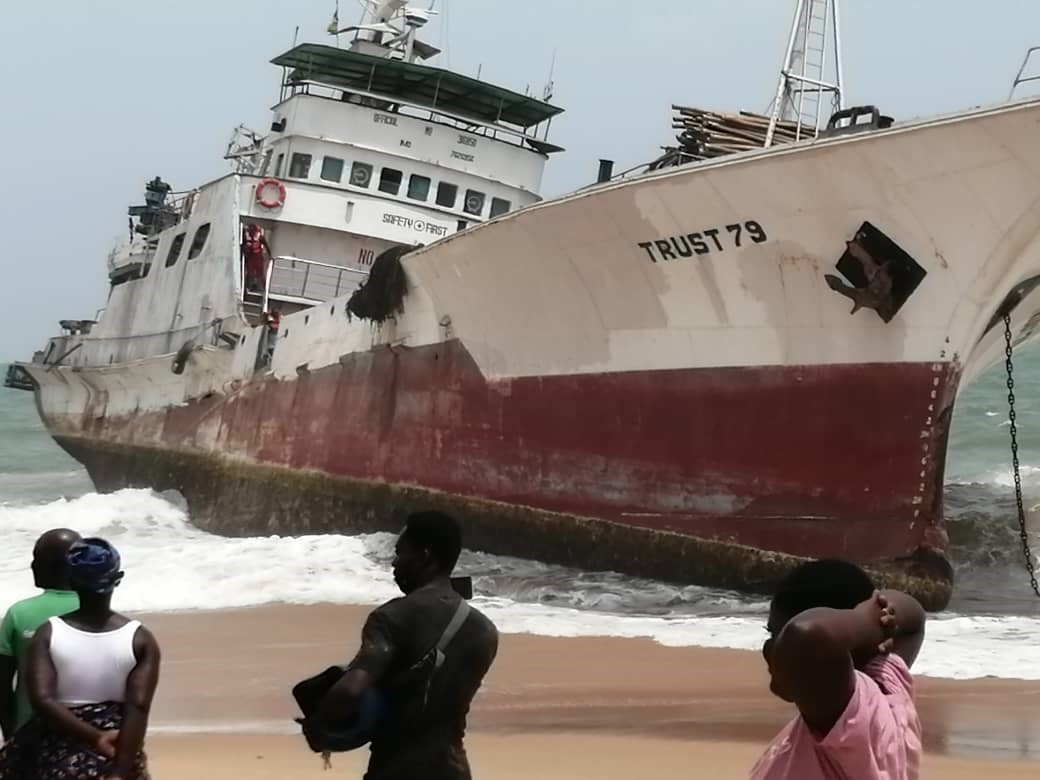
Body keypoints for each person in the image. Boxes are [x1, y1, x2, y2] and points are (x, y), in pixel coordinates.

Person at [310, 511, 499, 780]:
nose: (394, 563)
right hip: (453, 769)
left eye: (400, 553)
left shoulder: (391, 618)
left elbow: (351, 690)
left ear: (424, 556)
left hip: (397, 769)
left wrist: (317, 727)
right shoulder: (484, 630)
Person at [0, 537, 161, 780]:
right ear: (118, 579)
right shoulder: (140, 639)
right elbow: (138, 707)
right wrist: (119, 770)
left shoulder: (49, 632)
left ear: (72, 579)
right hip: (120, 748)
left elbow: (43, 700)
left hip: (61, 750)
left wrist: (94, 737)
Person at [749, 559, 926, 780]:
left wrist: (867, 620)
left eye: (780, 639)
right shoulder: (887, 685)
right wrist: (879, 622)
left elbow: (807, 634)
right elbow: (915, 619)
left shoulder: (852, 717)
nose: (767, 649)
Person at [0, 528, 81, 739]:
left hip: (29, 736)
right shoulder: (98, 612)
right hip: (88, 734)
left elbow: (1, 683)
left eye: (38, 558)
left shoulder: (19, 614)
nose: (32, 565)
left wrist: (10, 733)